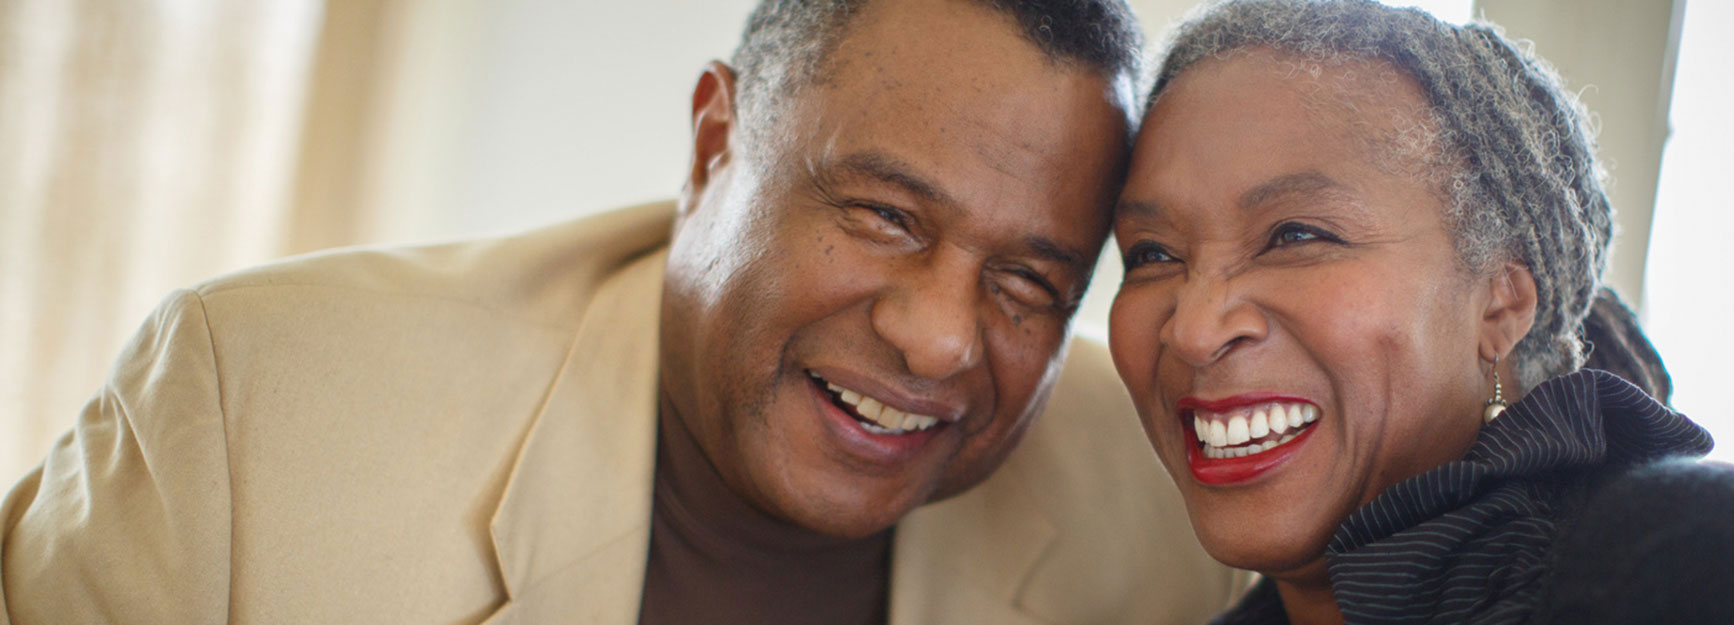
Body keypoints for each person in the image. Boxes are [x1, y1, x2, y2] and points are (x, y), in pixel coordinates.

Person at [0, 1, 1240, 623]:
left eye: (1030, 282)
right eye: (882, 215)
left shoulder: (1157, 519)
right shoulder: (257, 407)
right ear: (712, 145)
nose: (936, 335)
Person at [1106, 1, 1734, 623]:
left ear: (1502, 302)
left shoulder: (1705, 568)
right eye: (1151, 253)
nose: (1193, 327)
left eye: (1295, 234)